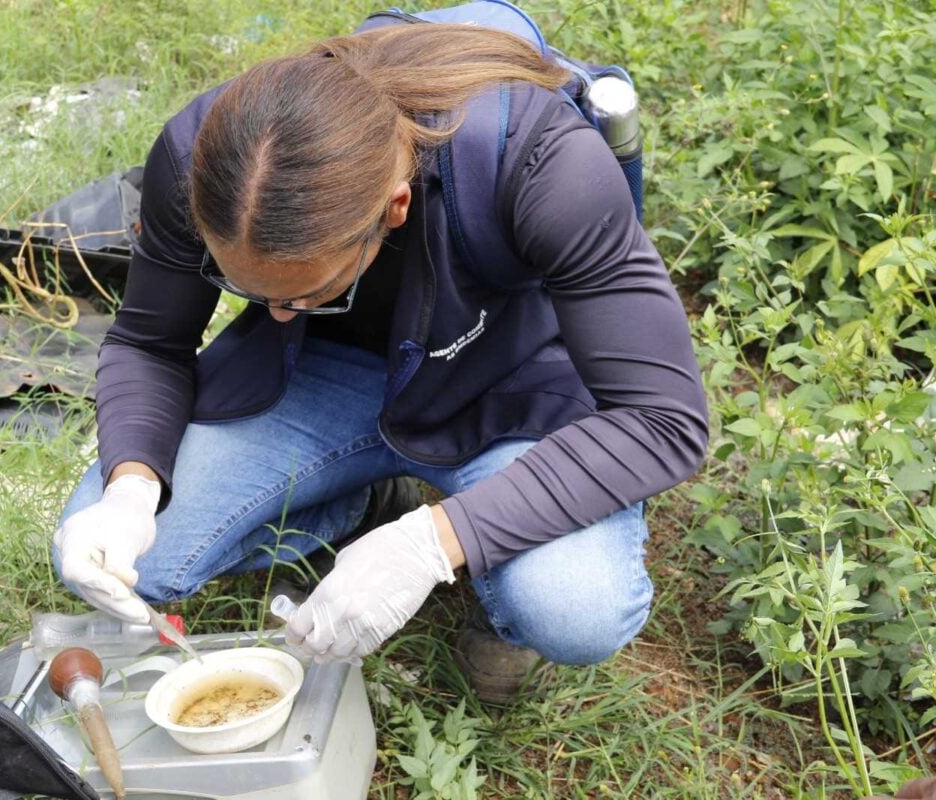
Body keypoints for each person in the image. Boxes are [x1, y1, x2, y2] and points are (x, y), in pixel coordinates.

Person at [53, 21, 708, 703]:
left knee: (573, 608)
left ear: (394, 209)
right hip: (318, 372)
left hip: (511, 384)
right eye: (249, 289)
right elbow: (150, 342)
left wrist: (434, 543)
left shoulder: (541, 163)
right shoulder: (206, 158)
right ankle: (359, 506)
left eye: (306, 292)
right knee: (121, 559)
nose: (277, 311)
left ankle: (500, 609)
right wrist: (131, 489)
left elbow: (663, 420)